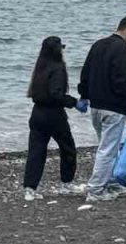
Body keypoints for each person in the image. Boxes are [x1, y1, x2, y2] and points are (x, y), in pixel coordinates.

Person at [78, 16, 126, 202]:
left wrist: (84, 95)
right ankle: (95, 190)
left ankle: (111, 183)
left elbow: (85, 73)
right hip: (114, 107)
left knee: (107, 146)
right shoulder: (123, 50)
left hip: (96, 106)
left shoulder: (98, 45)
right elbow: (121, 80)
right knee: (108, 149)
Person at [22, 36, 86, 201]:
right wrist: (74, 103)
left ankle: (30, 188)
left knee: (36, 152)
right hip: (54, 115)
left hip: (36, 114)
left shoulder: (39, 67)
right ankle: (67, 182)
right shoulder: (58, 68)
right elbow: (56, 94)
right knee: (68, 148)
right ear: (58, 51)